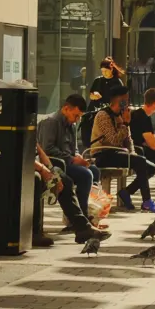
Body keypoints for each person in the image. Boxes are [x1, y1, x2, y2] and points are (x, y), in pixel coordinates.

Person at [89, 86, 155, 212]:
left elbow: (128, 139)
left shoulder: (121, 115)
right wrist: (125, 124)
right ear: (120, 100)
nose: (128, 102)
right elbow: (114, 140)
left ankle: (127, 192)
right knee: (140, 161)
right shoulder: (103, 115)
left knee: (151, 167)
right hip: (102, 154)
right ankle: (147, 202)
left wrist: (132, 154)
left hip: (118, 153)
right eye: (126, 99)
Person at [36, 93, 101, 221]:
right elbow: (47, 149)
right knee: (86, 175)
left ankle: (85, 208)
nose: (76, 119)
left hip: (68, 161)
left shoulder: (72, 125)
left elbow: (73, 148)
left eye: (79, 117)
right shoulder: (51, 122)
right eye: (75, 115)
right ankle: (81, 217)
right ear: (66, 109)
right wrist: (72, 159)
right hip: (55, 163)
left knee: (94, 171)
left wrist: (77, 157)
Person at [34, 141, 101, 244]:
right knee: (36, 179)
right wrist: (43, 170)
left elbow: (40, 151)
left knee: (65, 181)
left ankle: (82, 228)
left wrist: (51, 171)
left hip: (39, 167)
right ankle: (34, 232)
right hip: (26, 168)